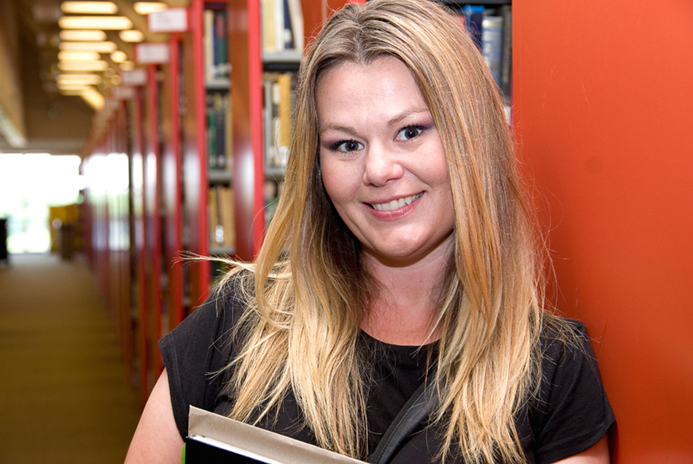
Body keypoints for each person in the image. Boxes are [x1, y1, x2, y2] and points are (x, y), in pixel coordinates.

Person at [125, 0, 614, 463]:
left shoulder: (552, 370)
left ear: (473, 138)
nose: (378, 170)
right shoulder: (237, 324)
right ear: (316, 166)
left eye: (411, 131)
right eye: (346, 144)